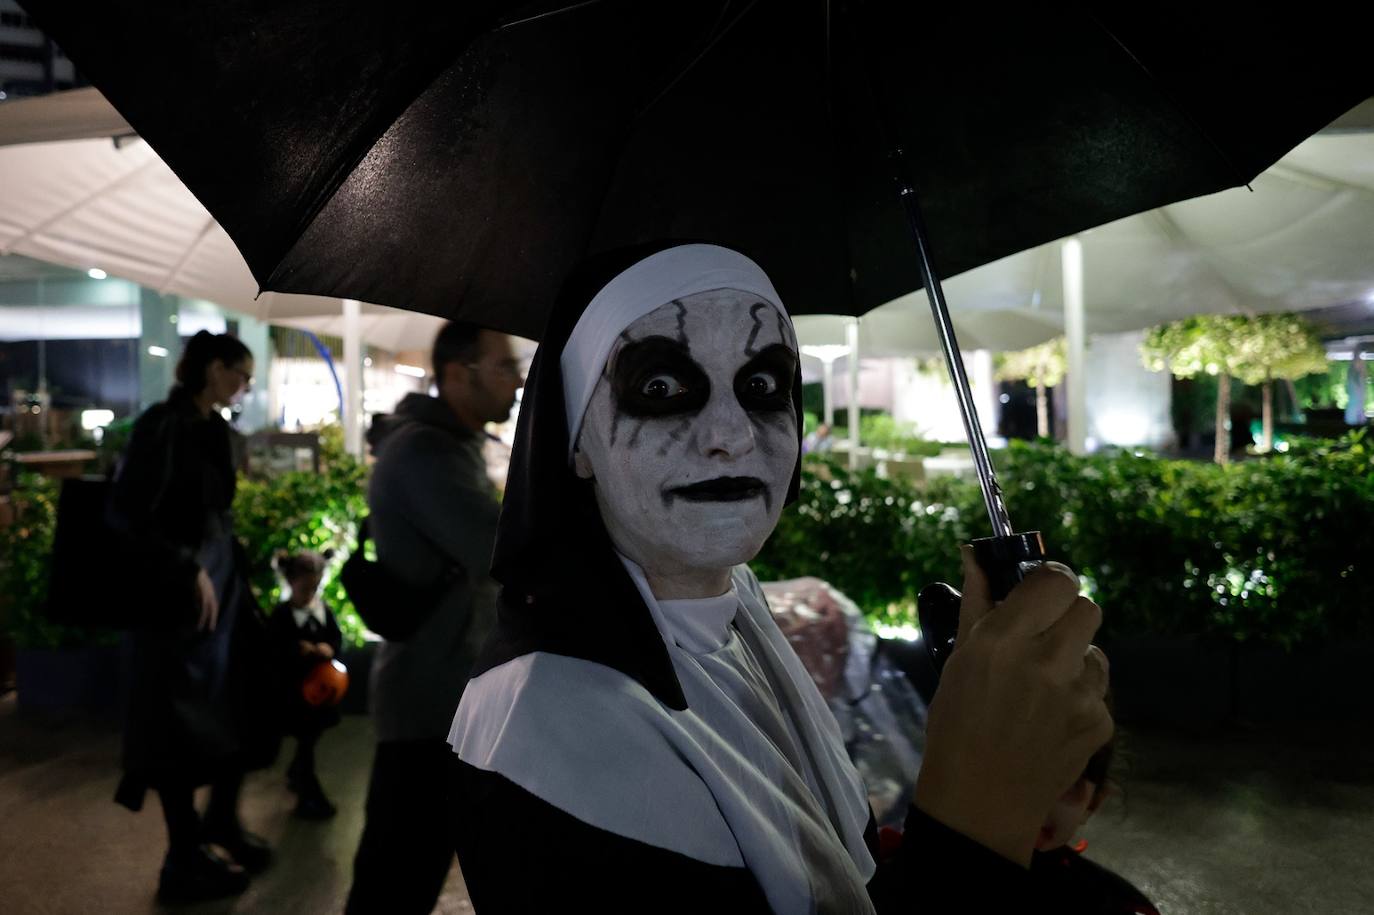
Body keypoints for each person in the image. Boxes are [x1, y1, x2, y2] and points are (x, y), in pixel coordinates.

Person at [446, 243, 1113, 912]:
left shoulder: (740, 602)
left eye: (763, 386)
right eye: (661, 388)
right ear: (576, 440)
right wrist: (977, 809)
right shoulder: (547, 717)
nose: (731, 434)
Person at [345, 321, 523, 914]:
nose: (516, 381)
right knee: (396, 881)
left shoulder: (449, 446)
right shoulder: (425, 452)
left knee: (408, 869)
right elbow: (500, 550)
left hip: (447, 690)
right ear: (456, 374)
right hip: (428, 698)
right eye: (504, 367)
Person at [109, 330, 278, 904]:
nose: (246, 385)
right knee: (177, 724)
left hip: (218, 588)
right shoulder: (164, 425)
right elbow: (127, 511)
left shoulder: (213, 429)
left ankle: (219, 825)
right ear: (212, 369)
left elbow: (212, 510)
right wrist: (185, 567)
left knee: (240, 704)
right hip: (176, 597)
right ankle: (181, 858)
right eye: (241, 373)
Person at [267, 549, 344, 820]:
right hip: (294, 694)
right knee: (306, 741)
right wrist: (296, 649)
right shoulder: (281, 615)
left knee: (310, 739)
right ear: (291, 582)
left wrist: (329, 648)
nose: (310, 594)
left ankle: (298, 775)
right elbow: (271, 649)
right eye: (305, 588)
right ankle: (309, 795)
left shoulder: (324, 611)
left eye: (315, 588)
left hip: (321, 693)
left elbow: (336, 639)